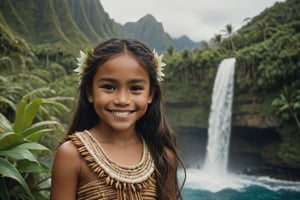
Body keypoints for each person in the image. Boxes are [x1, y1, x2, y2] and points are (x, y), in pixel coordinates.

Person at [50, 38, 185, 200]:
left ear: (150, 94)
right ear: (89, 92)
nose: (122, 100)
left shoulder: (163, 157)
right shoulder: (71, 155)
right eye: (109, 87)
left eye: (135, 88)